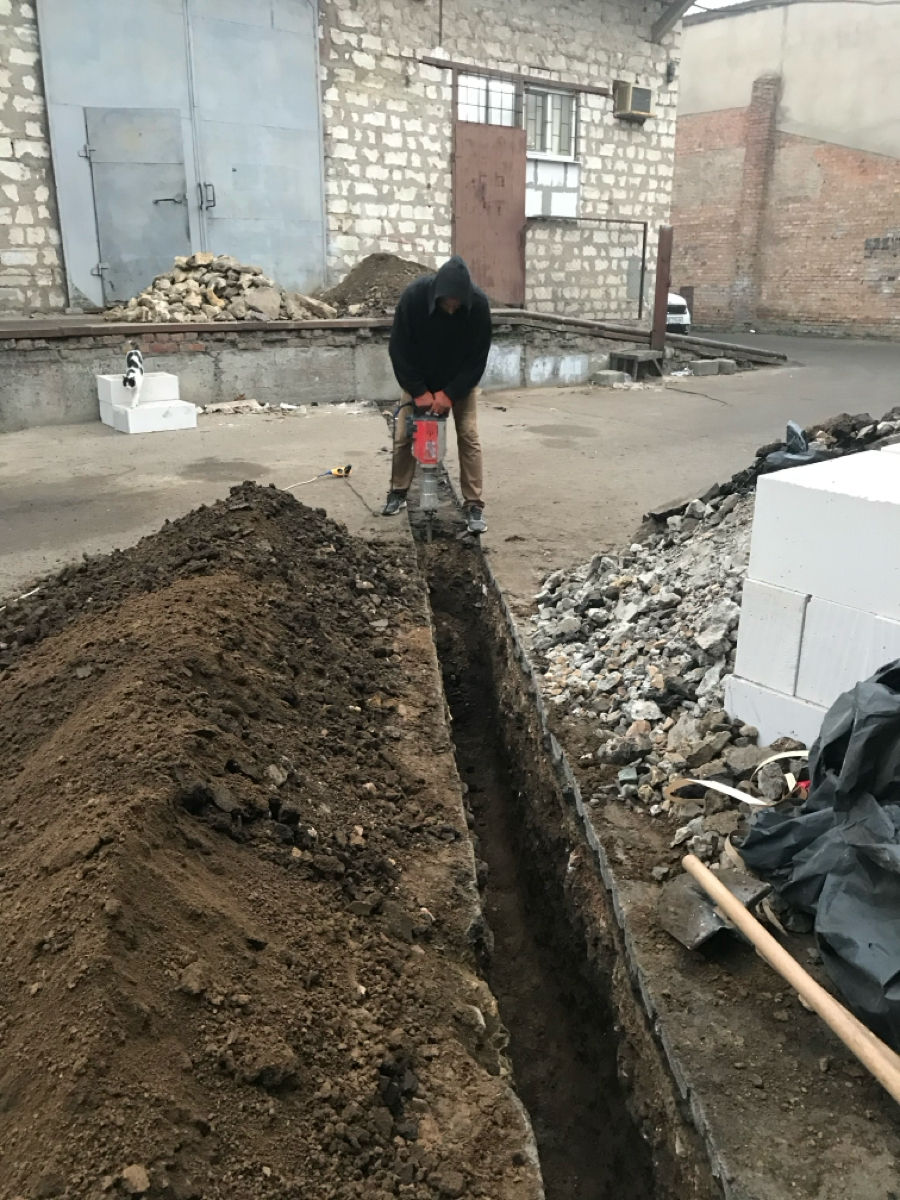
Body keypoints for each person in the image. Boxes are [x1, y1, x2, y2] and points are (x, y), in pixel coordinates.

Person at [383, 255, 492, 534]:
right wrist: (419, 391)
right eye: (447, 303)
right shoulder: (413, 299)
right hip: (418, 379)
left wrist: (450, 394)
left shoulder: (478, 306)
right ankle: (398, 491)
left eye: (458, 304)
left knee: (468, 435)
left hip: (459, 383)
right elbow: (399, 350)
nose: (452, 308)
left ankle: (474, 504)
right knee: (404, 435)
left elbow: (477, 360)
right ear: (437, 296)